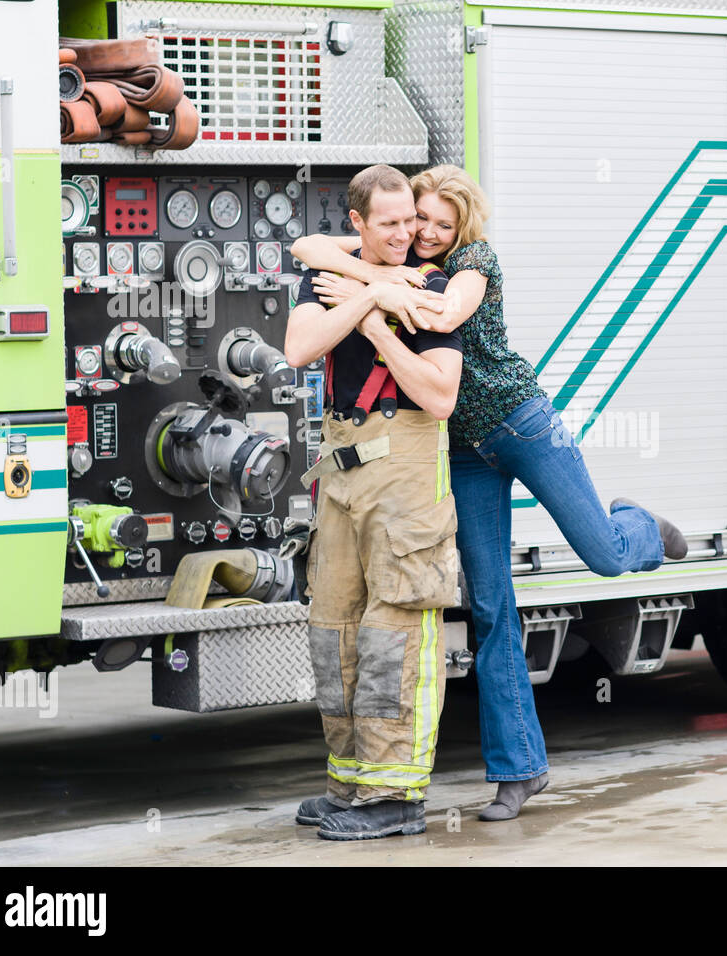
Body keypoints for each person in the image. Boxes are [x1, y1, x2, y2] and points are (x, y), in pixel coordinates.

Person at [292, 165, 688, 823]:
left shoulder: (467, 266)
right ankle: (519, 771)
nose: (425, 231)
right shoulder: (403, 266)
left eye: (441, 224)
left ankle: (639, 526)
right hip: (465, 453)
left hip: (520, 423)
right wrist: (383, 280)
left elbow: (442, 313)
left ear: (462, 227)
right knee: (490, 608)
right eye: (418, 219)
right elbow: (309, 250)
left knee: (605, 554)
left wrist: (373, 289)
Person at [283, 164, 463, 841]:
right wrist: (372, 294)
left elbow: (439, 396)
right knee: (334, 627)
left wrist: (379, 320)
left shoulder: (435, 288)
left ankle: (397, 795)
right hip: (342, 469)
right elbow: (301, 346)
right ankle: (352, 781)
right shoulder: (346, 276)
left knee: (396, 630)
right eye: (387, 223)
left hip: (406, 468)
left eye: (409, 220)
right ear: (356, 224)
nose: (405, 233)